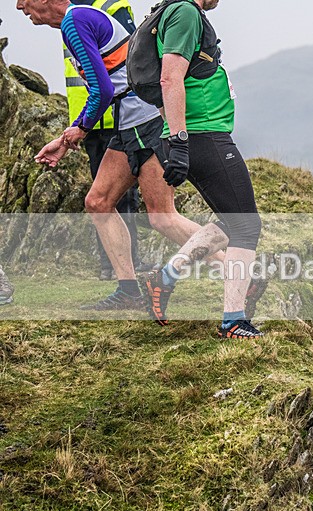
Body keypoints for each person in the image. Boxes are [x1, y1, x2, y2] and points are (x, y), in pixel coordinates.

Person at [21, 0, 221, 311]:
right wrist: (66, 138)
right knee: (98, 202)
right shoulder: (78, 20)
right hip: (130, 123)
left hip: (148, 123)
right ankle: (128, 290)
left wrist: (80, 129)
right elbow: (105, 86)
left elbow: (101, 88)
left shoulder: (75, 22)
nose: (20, 6)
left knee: (163, 218)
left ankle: (242, 274)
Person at [141, 0, 265, 338]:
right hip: (202, 134)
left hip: (199, 132)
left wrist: (176, 136)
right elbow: (169, 78)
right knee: (246, 226)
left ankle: (166, 276)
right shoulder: (184, 12)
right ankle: (233, 320)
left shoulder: (176, 11)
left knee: (232, 219)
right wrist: (179, 140)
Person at [61, 0, 146, 281]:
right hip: (90, 118)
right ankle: (112, 267)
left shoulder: (110, 6)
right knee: (100, 198)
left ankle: (127, 266)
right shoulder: (68, 15)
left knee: (121, 198)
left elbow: (135, 56)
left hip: (119, 116)